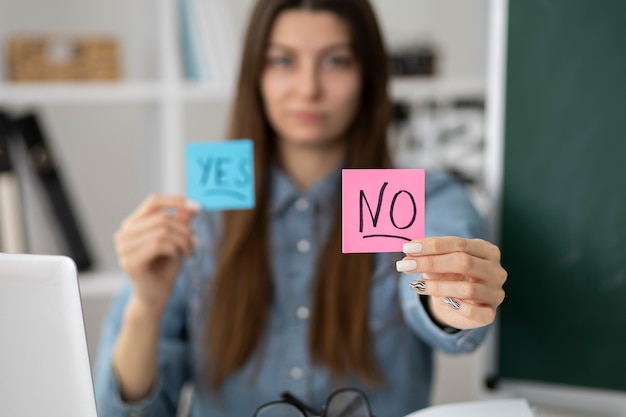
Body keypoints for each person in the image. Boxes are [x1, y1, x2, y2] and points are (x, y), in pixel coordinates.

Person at [94, 0, 507, 416]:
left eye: (336, 61)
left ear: (368, 75)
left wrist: (450, 298)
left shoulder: (425, 198)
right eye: (283, 61)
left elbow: (423, 290)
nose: (308, 88)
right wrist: (145, 308)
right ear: (255, 75)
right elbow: (125, 412)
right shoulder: (200, 218)